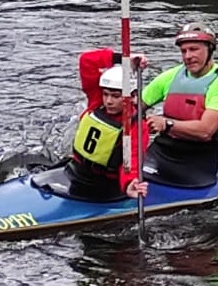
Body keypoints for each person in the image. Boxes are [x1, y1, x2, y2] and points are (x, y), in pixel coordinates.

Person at [32, 48, 149, 202]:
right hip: (75, 171)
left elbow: (131, 161)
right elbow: (86, 60)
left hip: (103, 184)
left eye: (116, 96)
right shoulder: (97, 103)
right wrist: (122, 58)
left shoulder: (135, 125)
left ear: (132, 96)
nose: (108, 101)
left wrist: (129, 183)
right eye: (106, 94)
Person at [137, 22, 218, 189]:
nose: (187, 56)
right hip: (161, 152)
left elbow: (205, 131)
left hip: (197, 164)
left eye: (194, 49)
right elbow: (135, 106)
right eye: (183, 51)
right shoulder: (171, 76)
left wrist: (165, 124)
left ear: (210, 50)